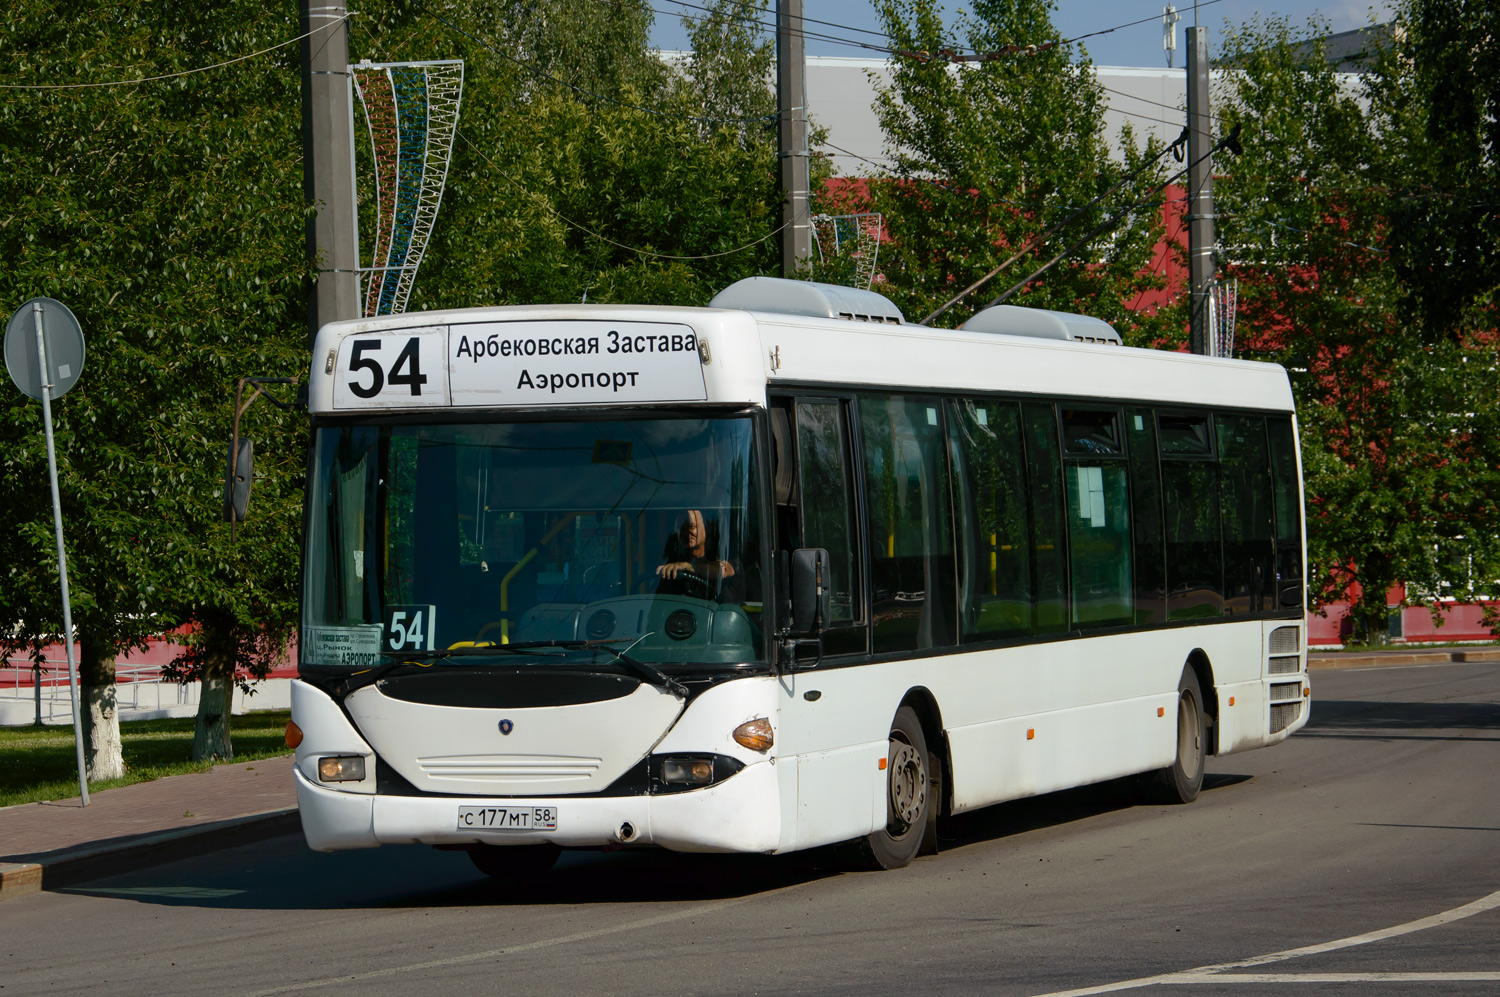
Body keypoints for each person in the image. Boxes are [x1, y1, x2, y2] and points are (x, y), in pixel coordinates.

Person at [656, 509, 737, 597]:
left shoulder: (725, 555)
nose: (686, 533)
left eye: (692, 527)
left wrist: (689, 567)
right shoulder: (674, 562)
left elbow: (724, 570)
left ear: (707, 528)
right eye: (682, 529)